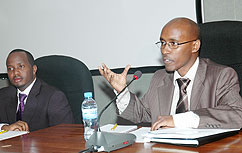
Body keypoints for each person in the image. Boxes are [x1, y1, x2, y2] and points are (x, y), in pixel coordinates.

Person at [99, 17, 242, 130]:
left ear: (195, 46)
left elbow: (236, 115)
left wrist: (177, 120)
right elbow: (142, 114)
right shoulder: (160, 77)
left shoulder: (221, 76)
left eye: (173, 43)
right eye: (162, 43)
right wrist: (122, 91)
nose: (164, 50)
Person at [0, 49, 74, 131]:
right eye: (10, 68)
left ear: (34, 69)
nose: (15, 73)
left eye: (21, 66)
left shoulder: (54, 97)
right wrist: (5, 128)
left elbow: (65, 134)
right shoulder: (2, 96)